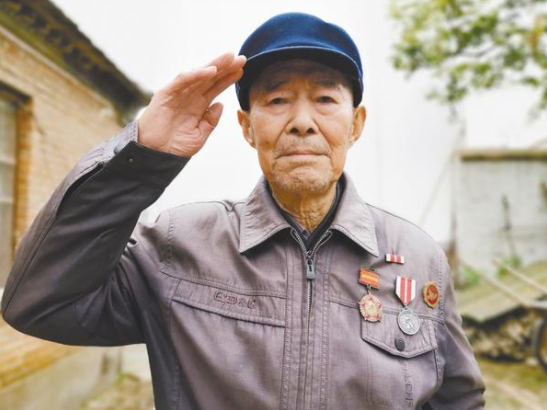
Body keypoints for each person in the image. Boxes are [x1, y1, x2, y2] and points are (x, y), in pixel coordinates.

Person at [1, 11, 486, 410]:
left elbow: (459, 400)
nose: (302, 122)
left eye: (324, 98)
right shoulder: (177, 245)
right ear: (247, 127)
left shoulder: (417, 258)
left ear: (355, 124)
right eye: (277, 99)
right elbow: (37, 304)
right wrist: (140, 156)